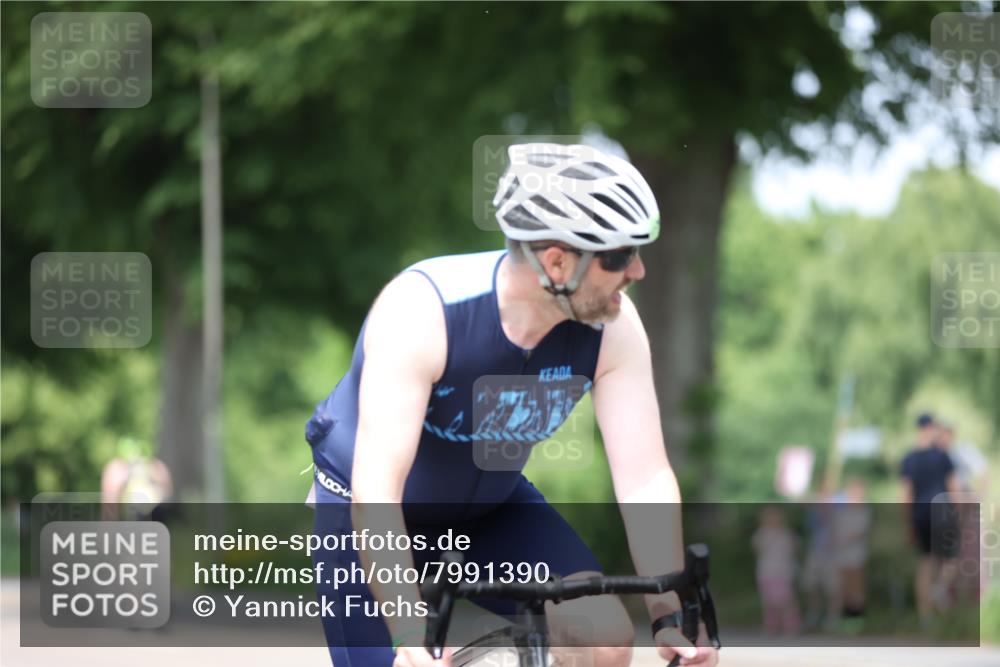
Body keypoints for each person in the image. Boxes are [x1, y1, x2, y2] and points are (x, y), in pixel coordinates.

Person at [304, 143, 719, 667]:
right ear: (557, 261)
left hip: (490, 511)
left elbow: (644, 477)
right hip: (371, 513)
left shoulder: (614, 328)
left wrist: (669, 614)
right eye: (619, 256)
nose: (637, 271)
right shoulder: (421, 313)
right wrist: (411, 629)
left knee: (605, 637)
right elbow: (377, 490)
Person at [899, 413, 961, 627]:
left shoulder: (909, 459)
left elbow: (906, 494)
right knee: (951, 559)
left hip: (919, 513)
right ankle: (939, 589)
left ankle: (925, 616)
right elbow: (954, 488)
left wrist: (908, 524)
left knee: (926, 562)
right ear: (930, 428)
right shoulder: (943, 455)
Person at [751, 505, 801, 635]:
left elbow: (794, 549)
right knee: (768, 600)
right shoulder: (761, 534)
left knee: (785, 599)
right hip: (766, 571)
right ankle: (771, 625)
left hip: (783, 572)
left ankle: (791, 625)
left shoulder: (786, 534)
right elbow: (757, 549)